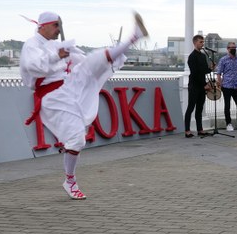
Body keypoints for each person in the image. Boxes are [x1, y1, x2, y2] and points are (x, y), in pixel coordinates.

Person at [20, 11, 148, 200]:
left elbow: (82, 60)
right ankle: (70, 180)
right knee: (77, 140)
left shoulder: (55, 45)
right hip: (52, 95)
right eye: (56, 26)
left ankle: (134, 37)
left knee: (93, 61)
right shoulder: (32, 45)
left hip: (68, 84)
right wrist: (57, 56)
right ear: (43, 26)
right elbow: (34, 66)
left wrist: (104, 61)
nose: (58, 30)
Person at [184, 35, 215, 138]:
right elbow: (195, 73)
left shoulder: (202, 56)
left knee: (199, 109)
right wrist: (204, 85)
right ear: (195, 43)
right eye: (200, 42)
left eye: (203, 42)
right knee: (191, 108)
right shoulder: (192, 57)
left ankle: (200, 130)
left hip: (202, 85)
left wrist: (211, 68)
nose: (202, 44)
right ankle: (187, 130)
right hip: (194, 85)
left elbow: (203, 71)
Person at [215, 41, 237, 131]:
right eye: (232, 48)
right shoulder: (223, 60)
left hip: (236, 86)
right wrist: (220, 84)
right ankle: (228, 124)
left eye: (235, 48)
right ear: (227, 49)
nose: (234, 49)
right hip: (226, 86)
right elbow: (219, 73)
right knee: (227, 106)